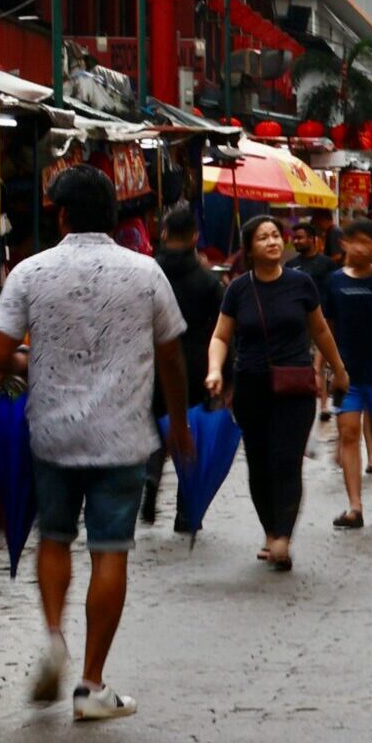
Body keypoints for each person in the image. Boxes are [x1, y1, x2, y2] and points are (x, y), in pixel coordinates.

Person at [0, 165, 193, 722]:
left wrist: (37, 360)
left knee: (52, 538)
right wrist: (179, 423)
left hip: (51, 432)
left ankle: (54, 635)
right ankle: (92, 686)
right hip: (123, 437)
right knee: (110, 550)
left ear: (60, 215)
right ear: (116, 214)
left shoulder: (30, 271)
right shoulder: (146, 273)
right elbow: (172, 354)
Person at [206, 215, 349, 570]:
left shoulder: (301, 284)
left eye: (275, 236)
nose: (272, 242)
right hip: (251, 386)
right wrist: (214, 370)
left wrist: (339, 370)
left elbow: (320, 331)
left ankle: (283, 537)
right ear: (250, 248)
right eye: (263, 238)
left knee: (286, 460)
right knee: (259, 462)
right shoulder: (238, 289)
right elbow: (221, 337)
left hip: (295, 386)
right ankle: (270, 532)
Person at [142, 203, 224, 531]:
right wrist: (223, 375)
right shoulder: (207, 280)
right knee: (190, 434)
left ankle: (150, 476)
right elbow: (221, 329)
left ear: (163, 233)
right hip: (195, 363)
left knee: (155, 428)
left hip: (150, 361)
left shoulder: (147, 272)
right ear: (195, 236)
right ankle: (186, 512)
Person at [322, 219, 372, 526]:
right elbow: (325, 328)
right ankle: (355, 506)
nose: (360, 247)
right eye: (354, 240)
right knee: (349, 433)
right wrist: (323, 367)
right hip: (346, 374)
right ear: (344, 244)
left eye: (367, 241)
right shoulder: (333, 282)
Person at [287, 220, 339, 425]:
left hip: (323, 319)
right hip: (298, 320)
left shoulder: (327, 265)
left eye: (300, 237)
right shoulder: (291, 266)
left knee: (322, 363)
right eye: (294, 238)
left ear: (312, 239)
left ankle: (324, 405)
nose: (296, 241)